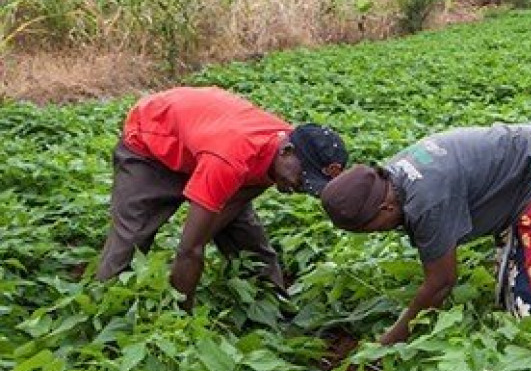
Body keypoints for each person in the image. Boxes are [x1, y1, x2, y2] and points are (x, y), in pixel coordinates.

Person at [319, 125, 531, 357]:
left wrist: (387, 344)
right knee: (516, 269)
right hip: (528, 162)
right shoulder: (391, 179)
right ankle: (521, 343)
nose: (381, 234)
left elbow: (441, 282)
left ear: (385, 210)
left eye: (374, 229)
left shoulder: (426, 202)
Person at [96, 86, 348, 306]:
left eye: (309, 185)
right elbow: (189, 250)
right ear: (287, 151)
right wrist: (184, 320)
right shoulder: (232, 158)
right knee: (132, 237)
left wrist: (207, 229)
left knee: (248, 242)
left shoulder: (283, 153)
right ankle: (108, 305)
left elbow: (235, 202)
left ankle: (274, 308)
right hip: (153, 141)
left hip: (203, 141)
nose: (299, 187)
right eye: (303, 178)